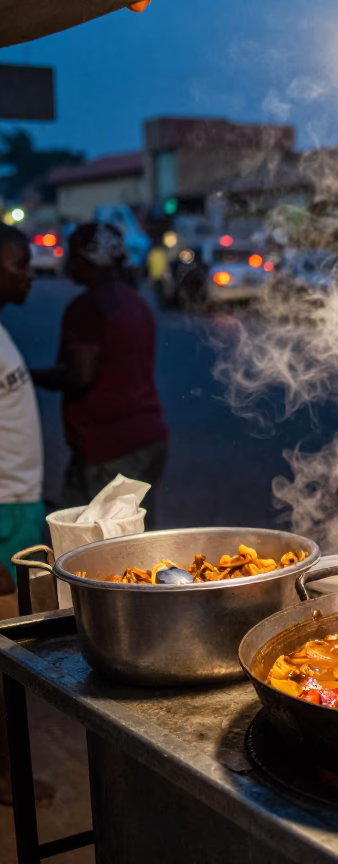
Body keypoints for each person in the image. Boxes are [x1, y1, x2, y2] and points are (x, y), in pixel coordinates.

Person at [32, 223, 169, 523]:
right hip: (148, 438)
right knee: (137, 539)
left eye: (72, 253)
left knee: (90, 548)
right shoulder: (135, 302)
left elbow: (81, 375)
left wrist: (29, 377)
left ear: (84, 259)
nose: (68, 261)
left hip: (109, 447)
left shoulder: (88, 307)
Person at [0, 224, 53, 805]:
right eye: (18, 264)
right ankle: (5, 777)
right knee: (6, 655)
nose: (29, 273)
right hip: (2, 511)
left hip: (18, 503)